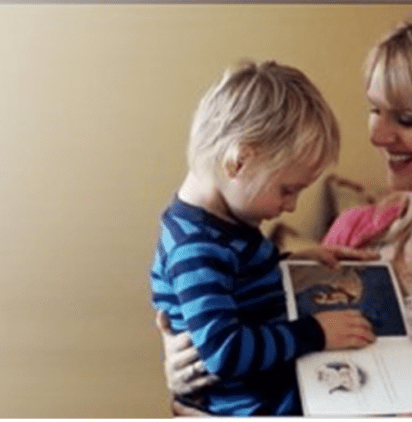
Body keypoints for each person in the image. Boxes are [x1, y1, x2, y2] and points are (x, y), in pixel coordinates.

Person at [157, 8, 412, 416]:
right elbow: (270, 345)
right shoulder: (356, 230)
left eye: (405, 119)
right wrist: (187, 371)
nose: (377, 135)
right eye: (374, 109)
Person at [150, 60, 378, 416]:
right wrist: (316, 332)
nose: (291, 205)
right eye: (287, 189)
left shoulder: (225, 222)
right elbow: (226, 352)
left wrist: (300, 261)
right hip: (255, 407)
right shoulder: (195, 249)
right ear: (239, 162)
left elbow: (239, 281)